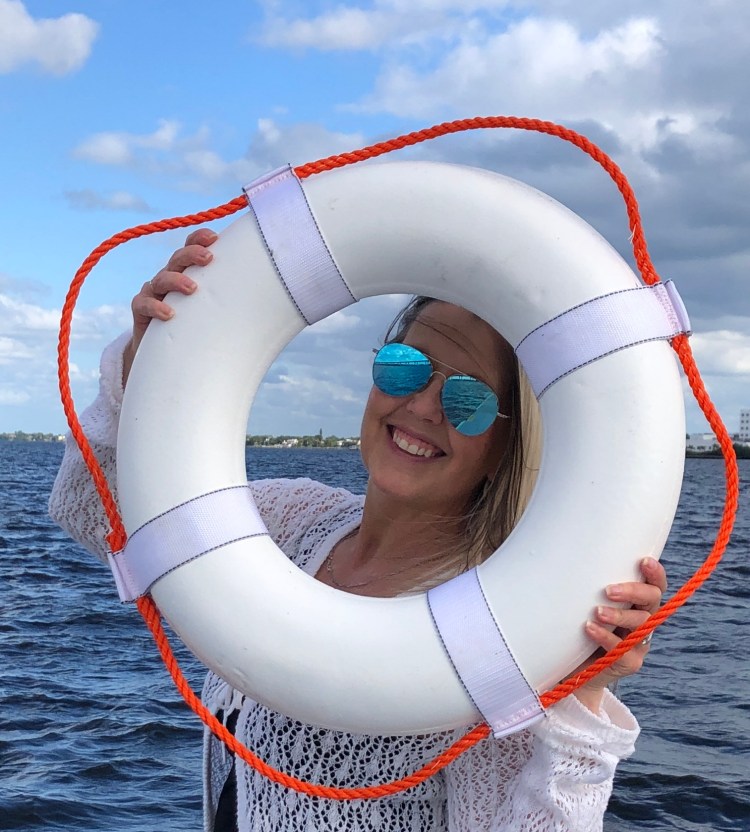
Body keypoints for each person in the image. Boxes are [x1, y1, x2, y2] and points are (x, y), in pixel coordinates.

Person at [49, 228, 668, 832]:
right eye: (405, 367)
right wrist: (145, 369)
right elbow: (90, 511)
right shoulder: (296, 518)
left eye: (468, 399)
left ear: (508, 444)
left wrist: (583, 706)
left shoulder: (497, 632)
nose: (421, 406)